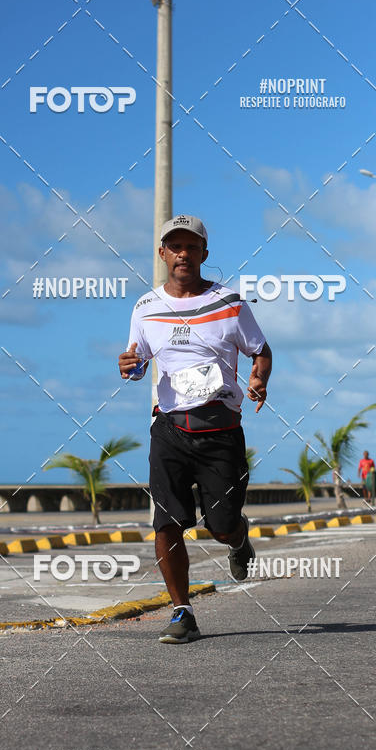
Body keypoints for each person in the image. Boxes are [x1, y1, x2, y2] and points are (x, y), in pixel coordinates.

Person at [118, 214, 272, 644]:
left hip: (220, 430)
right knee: (166, 523)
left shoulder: (230, 303)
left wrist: (259, 378)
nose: (183, 254)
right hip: (168, 428)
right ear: (162, 253)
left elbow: (261, 351)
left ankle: (238, 540)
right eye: (175, 246)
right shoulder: (146, 308)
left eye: (191, 246)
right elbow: (138, 361)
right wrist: (129, 368)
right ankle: (182, 612)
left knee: (220, 526)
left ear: (205, 253)